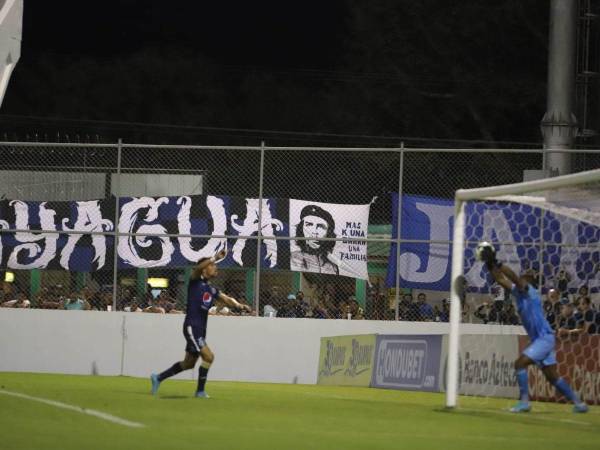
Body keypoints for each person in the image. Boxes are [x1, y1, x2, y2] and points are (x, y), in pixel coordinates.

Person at [477, 242, 588, 413]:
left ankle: (524, 402)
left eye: (525, 278)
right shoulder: (518, 292)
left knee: (519, 364)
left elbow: (514, 279)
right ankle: (579, 404)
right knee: (552, 377)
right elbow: (500, 279)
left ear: (530, 283)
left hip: (544, 338)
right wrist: (490, 264)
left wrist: (498, 263)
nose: (522, 279)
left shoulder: (530, 292)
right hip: (542, 339)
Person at [150, 248, 252, 398]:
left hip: (200, 329)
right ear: (204, 269)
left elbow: (226, 299)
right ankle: (200, 391)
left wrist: (240, 306)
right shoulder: (195, 281)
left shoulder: (210, 289)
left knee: (188, 364)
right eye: (212, 265)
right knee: (209, 357)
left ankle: (158, 378)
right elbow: (197, 268)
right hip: (192, 327)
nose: (215, 267)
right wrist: (215, 257)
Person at [290, 205, 340, 275]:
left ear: (328, 233)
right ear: (301, 229)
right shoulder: (292, 259)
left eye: (321, 226)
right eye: (309, 225)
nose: (314, 231)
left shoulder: (332, 267)